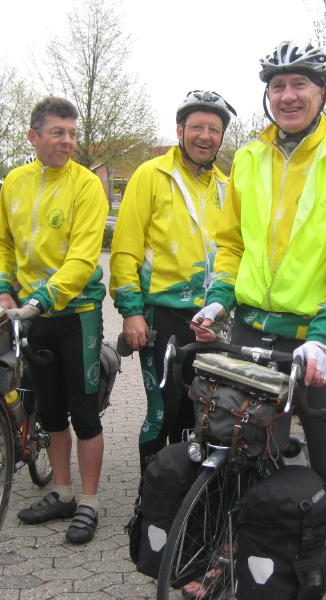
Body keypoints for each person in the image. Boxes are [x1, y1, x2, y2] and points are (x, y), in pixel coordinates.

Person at [191, 41, 326, 600]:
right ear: (266, 95)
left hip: (313, 338)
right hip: (249, 327)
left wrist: (325, 337)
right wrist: (220, 297)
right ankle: (231, 558)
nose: (288, 96)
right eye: (277, 86)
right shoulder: (247, 158)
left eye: (300, 85)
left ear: (322, 92)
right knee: (239, 453)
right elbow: (230, 242)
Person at [0, 96, 108, 545]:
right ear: (33, 136)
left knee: (84, 412)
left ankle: (90, 501)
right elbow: (1, 240)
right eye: (58, 132)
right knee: (51, 411)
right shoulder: (16, 182)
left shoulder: (86, 185)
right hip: (28, 312)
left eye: (73, 133)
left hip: (75, 314)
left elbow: (82, 259)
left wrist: (40, 298)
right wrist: (4, 288)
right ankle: (61, 492)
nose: (68, 141)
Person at [109, 90, 236, 474]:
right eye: (197, 126)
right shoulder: (152, 175)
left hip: (210, 318)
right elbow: (125, 248)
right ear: (180, 130)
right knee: (162, 411)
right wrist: (132, 312)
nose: (205, 136)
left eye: (214, 129)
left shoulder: (225, 187)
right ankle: (149, 497)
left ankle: (183, 492)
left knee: (199, 410)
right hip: (161, 313)